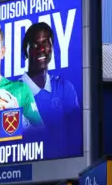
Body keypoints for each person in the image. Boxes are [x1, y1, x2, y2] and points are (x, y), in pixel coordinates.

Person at [20, 22, 81, 156]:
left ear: (52, 48)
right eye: (36, 45)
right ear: (26, 50)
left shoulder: (65, 88)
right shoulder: (13, 93)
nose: (41, 49)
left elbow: (76, 137)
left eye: (46, 43)